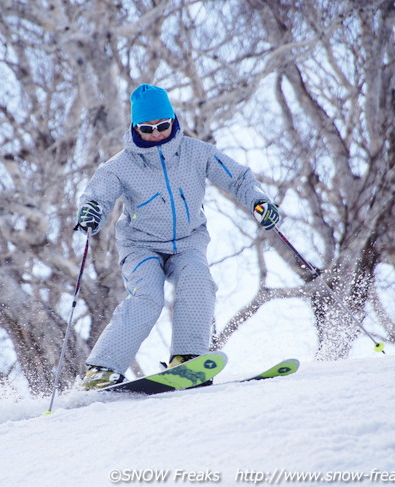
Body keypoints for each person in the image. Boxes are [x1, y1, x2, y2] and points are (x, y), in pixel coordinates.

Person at [75, 84, 280, 390]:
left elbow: (238, 178)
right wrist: (90, 211)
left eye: (162, 126)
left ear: (173, 121)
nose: (156, 133)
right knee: (148, 297)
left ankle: (187, 358)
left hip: (188, 241)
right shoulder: (120, 166)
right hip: (141, 245)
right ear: (135, 128)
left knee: (198, 281)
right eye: (147, 128)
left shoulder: (197, 153)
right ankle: (102, 369)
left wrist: (258, 201)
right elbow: (97, 195)